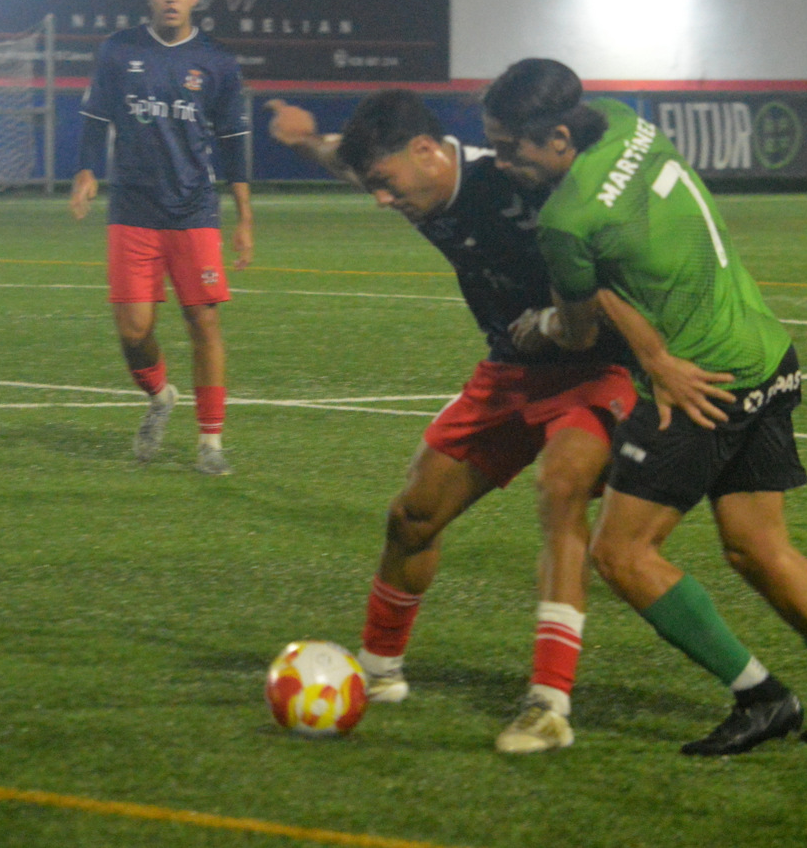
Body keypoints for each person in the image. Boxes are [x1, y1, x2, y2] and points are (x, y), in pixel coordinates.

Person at [479, 57, 807, 754]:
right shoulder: (627, 122)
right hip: (767, 354)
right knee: (759, 548)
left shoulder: (567, 219)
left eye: (513, 148)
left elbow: (577, 326)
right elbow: (621, 268)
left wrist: (540, 327)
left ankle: (762, 696)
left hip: (702, 386)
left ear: (561, 139)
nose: (504, 161)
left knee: (623, 554)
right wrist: (649, 349)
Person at [268, 92, 637, 753]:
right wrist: (301, 139)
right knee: (412, 515)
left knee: (560, 492)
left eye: (385, 184)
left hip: (595, 368)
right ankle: (378, 674)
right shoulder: (413, 183)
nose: (381, 200)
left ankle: (549, 705)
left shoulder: (517, 185)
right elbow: (339, 158)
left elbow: (617, 271)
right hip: (508, 373)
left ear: (427, 152)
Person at [70, 0, 252, 477]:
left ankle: (210, 442)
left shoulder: (217, 62)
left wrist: (244, 216)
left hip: (194, 210)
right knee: (133, 328)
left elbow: (235, 140)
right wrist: (85, 173)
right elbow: (94, 117)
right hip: (132, 207)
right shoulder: (117, 50)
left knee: (203, 322)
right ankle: (159, 395)